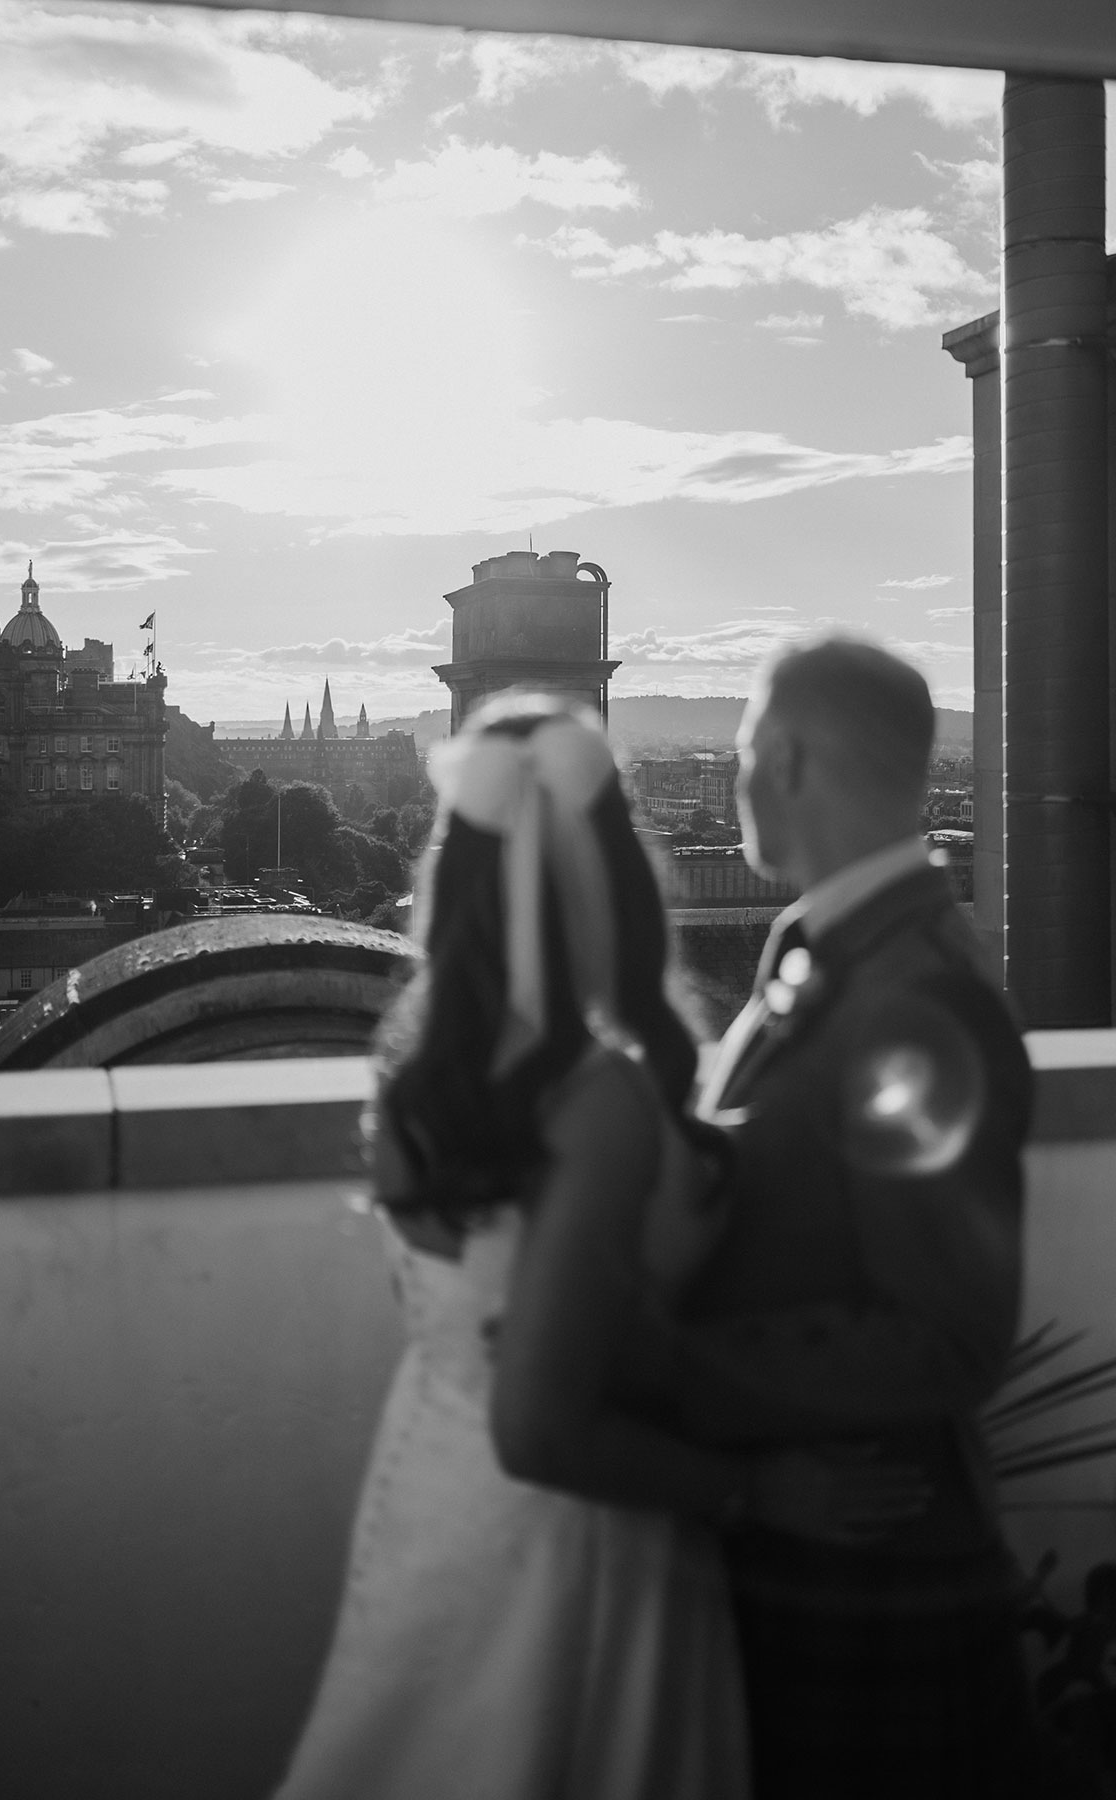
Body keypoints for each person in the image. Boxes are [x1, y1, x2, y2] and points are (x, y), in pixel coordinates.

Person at [272, 690, 923, 1800]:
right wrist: (757, 1490)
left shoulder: (414, 1074)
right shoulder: (600, 1100)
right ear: (616, 870)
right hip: (580, 1540)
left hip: (434, 1494)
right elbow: (540, 1424)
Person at [670, 637, 1041, 1798]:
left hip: (868, 1574)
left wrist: (666, 1370)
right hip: (821, 1557)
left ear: (782, 759)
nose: (732, 779)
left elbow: (949, 1336)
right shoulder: (839, 951)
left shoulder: (913, 1004)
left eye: (737, 754)